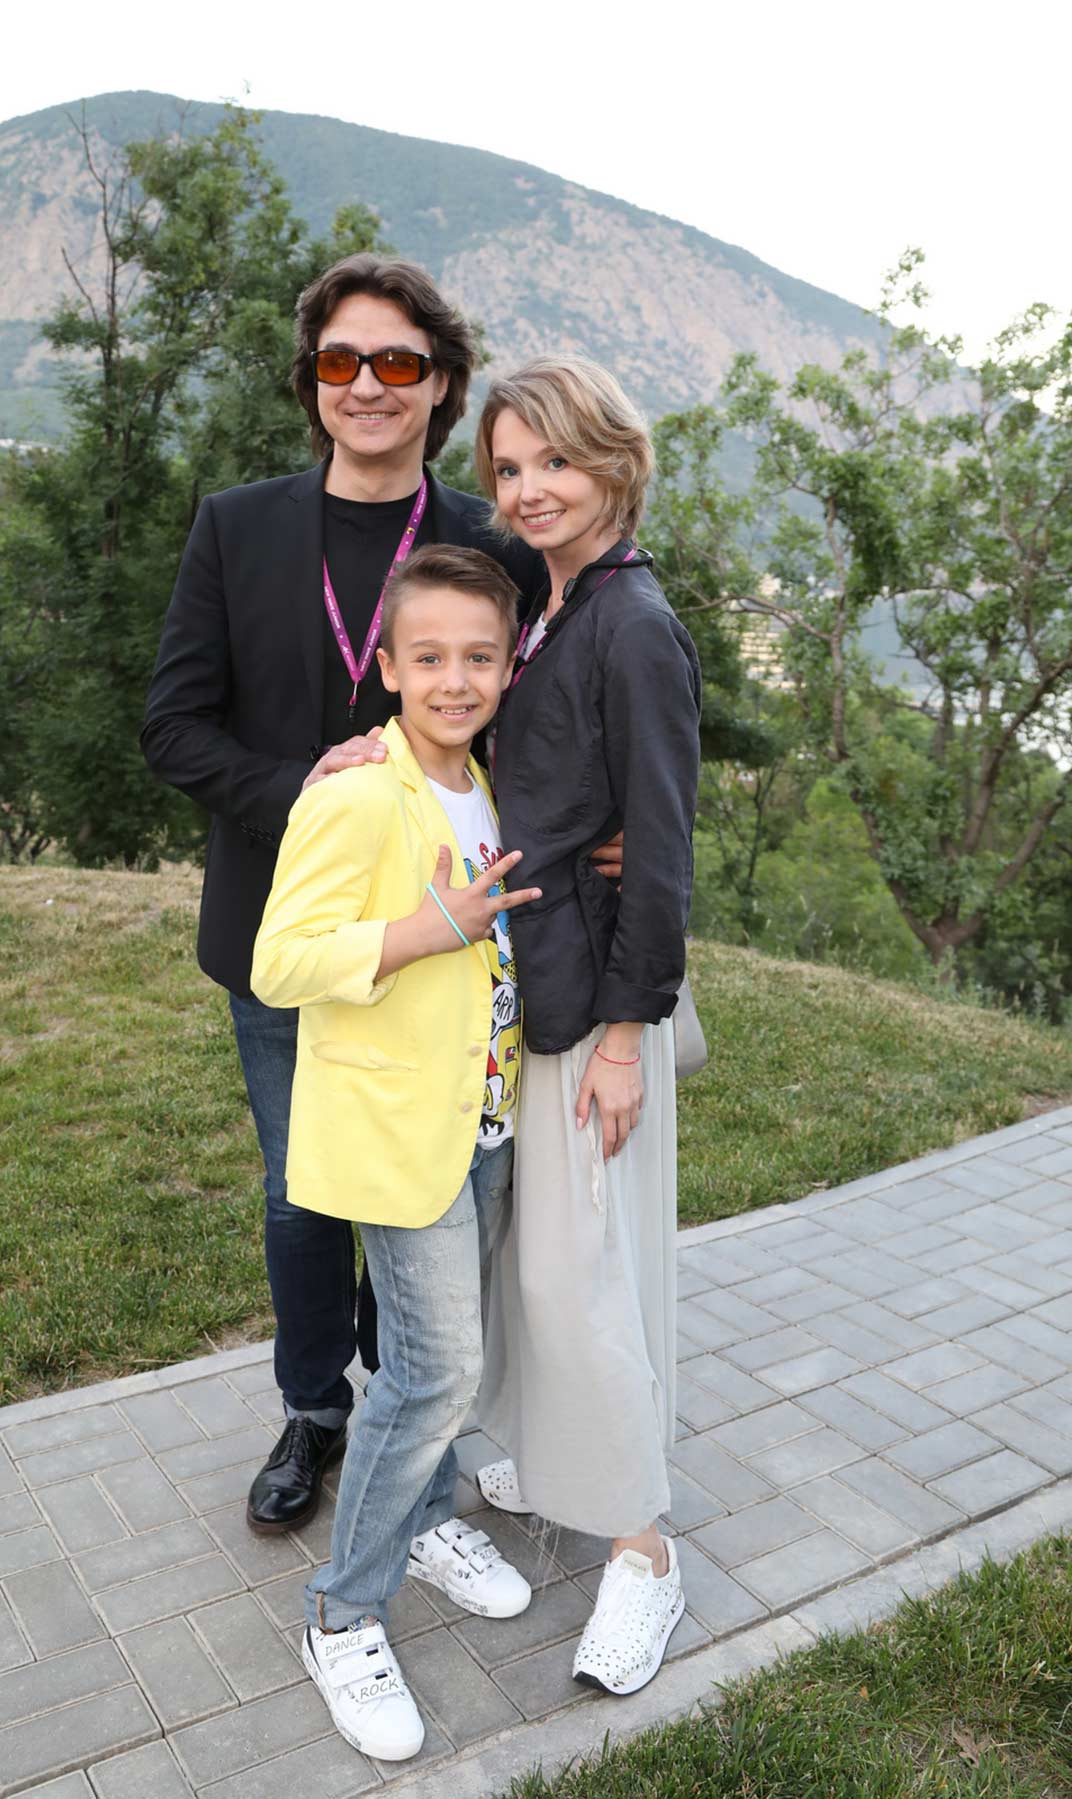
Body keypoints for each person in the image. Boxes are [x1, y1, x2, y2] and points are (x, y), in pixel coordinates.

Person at [141, 256, 540, 1535]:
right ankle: (315, 1406)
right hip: (287, 928)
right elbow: (172, 726)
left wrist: (600, 836)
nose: (368, 384)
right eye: (340, 360)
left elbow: (537, 723)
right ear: (311, 381)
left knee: (426, 1180)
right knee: (302, 1191)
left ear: (442, 384)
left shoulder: (489, 540)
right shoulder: (236, 525)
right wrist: (302, 787)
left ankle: (406, 1397)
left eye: (399, 361)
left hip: (449, 933)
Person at [249, 545, 541, 1761]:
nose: (456, 678)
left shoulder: (490, 782)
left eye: (480, 656)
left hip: (484, 1118)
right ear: (387, 665)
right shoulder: (360, 789)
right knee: (436, 1372)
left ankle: (423, 1517)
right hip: (393, 1127)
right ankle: (341, 1611)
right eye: (430, 656)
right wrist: (428, 929)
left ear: (509, 665)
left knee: (435, 1362)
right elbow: (280, 960)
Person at [471, 358, 702, 1696]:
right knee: (536, 1257)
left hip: (597, 1004)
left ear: (615, 461)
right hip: (541, 979)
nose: (529, 489)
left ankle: (644, 1550)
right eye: (508, 468)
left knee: (578, 1273)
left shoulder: (634, 624)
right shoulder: (547, 602)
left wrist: (625, 1034)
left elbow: (661, 850)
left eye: (553, 460)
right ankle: (557, 1452)